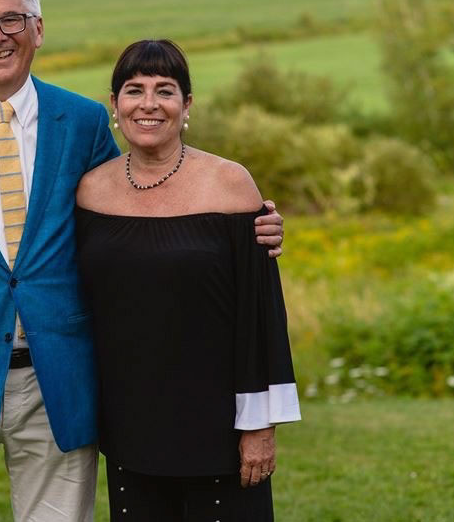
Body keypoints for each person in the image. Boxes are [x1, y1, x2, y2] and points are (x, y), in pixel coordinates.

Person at [0, 0, 286, 521]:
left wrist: (242, 224)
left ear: (37, 28)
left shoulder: (81, 122)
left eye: (11, 20)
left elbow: (143, 203)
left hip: (58, 383)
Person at [75, 39, 302, 521]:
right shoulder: (91, 191)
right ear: (114, 105)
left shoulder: (230, 184)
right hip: (129, 421)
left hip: (218, 427)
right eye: (134, 90)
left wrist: (259, 426)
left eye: (166, 90)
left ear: (187, 105)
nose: (149, 104)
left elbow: (260, 313)